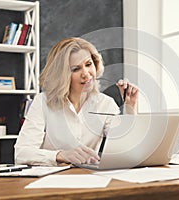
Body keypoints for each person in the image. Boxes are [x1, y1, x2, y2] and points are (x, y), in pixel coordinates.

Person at [14, 37, 138, 166]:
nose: (86, 74)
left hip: (88, 178)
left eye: (88, 64)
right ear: (61, 74)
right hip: (50, 180)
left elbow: (126, 148)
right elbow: (21, 154)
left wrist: (130, 107)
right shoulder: (43, 102)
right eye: (75, 69)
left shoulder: (105, 104)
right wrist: (60, 155)